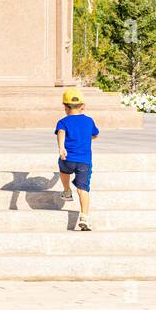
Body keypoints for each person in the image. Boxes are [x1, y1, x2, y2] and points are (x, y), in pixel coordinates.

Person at [55, 89, 99, 231]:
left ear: (65, 107)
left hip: (68, 158)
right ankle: (84, 216)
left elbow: (61, 132)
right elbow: (95, 135)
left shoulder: (63, 121)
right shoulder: (89, 121)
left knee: (63, 169)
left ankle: (67, 190)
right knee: (83, 189)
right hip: (84, 161)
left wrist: (61, 148)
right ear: (83, 106)